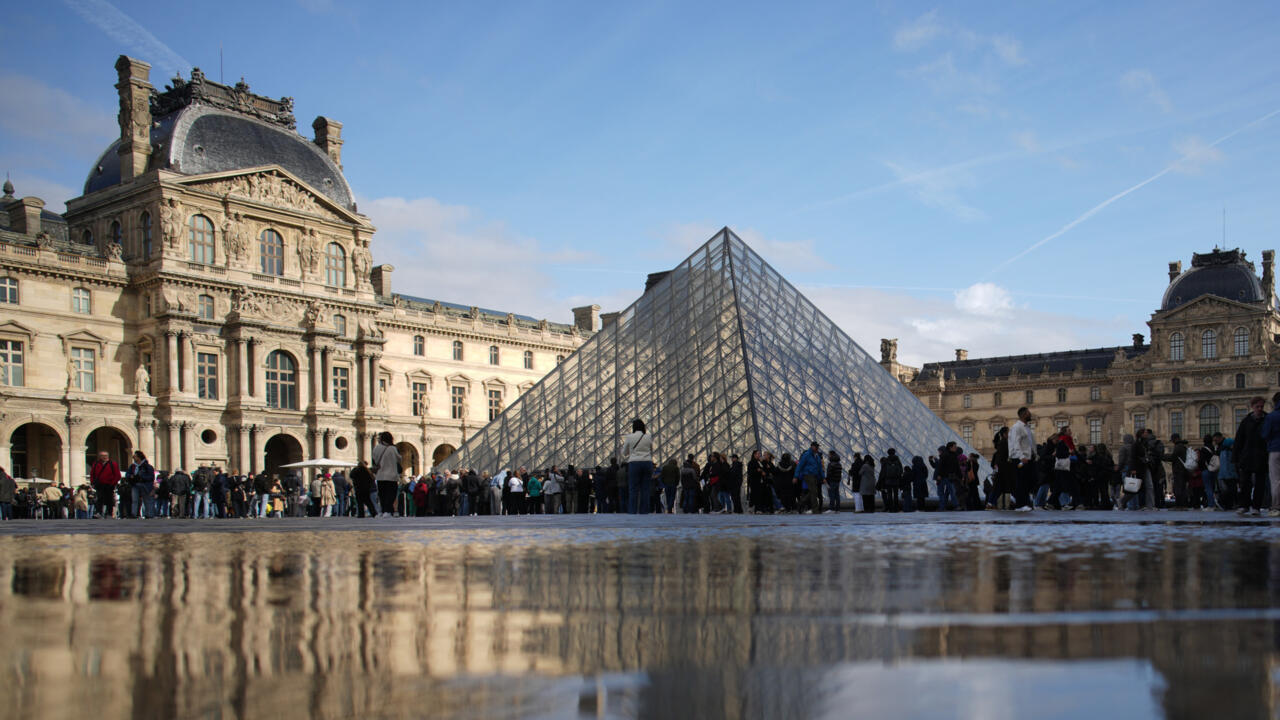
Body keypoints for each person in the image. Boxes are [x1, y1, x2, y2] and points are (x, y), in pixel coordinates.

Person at [1234, 397, 1268, 516]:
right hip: (1247, 455)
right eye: (1257, 407)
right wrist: (1235, 457)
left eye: (1261, 407)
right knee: (1245, 483)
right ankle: (1244, 505)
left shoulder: (1266, 420)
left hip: (1261, 455)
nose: (1259, 409)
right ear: (1252, 406)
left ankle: (1256, 506)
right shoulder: (1246, 421)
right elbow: (1239, 440)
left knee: (1260, 483)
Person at [621, 419, 654, 515]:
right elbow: (651, 449)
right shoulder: (648, 437)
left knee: (633, 489)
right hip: (647, 462)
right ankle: (644, 511)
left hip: (634, 463)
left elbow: (624, 453)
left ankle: (632, 511)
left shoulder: (630, 437)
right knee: (645, 489)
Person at [1009, 407, 1035, 512]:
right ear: (1024, 414)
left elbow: (1029, 443)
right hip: (1020, 458)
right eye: (1029, 413)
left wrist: (1034, 454)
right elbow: (1016, 443)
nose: (1030, 414)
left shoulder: (1026, 427)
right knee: (1021, 482)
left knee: (1027, 482)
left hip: (1027, 458)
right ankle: (1020, 505)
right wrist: (1021, 456)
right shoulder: (1017, 427)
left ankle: (1025, 503)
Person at [1260, 391, 1280, 517]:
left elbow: (1265, 434)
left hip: (1275, 450)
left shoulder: (1271, 416)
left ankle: (1276, 507)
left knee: (1276, 480)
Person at [371, 432, 401, 517]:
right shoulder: (392, 448)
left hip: (380, 475)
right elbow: (399, 459)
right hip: (391, 475)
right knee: (391, 494)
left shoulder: (376, 448)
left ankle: (382, 510)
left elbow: (374, 459)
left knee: (382, 494)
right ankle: (388, 511)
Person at [795, 441, 824, 514]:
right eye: (816, 446)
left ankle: (801, 503)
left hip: (815, 476)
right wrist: (796, 476)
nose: (817, 448)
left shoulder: (816, 456)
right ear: (812, 447)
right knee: (814, 492)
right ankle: (815, 510)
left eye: (818, 447)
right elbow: (800, 465)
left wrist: (823, 477)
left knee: (814, 492)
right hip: (808, 475)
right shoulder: (806, 455)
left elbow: (820, 467)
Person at [90, 450, 120, 519]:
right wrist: (92, 482)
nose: (104, 457)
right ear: (99, 457)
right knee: (99, 499)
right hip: (99, 484)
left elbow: (117, 475)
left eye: (106, 456)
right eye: (102, 456)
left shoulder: (113, 464)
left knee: (109, 499)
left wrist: (113, 483)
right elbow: (92, 474)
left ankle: (109, 513)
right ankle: (99, 513)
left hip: (109, 484)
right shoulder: (96, 464)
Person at [127, 452, 156, 519]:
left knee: (146, 500)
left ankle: (148, 514)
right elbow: (127, 474)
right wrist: (131, 476)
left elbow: (151, 477)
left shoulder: (147, 466)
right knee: (134, 500)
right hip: (135, 484)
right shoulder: (132, 466)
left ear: (139, 457)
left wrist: (141, 477)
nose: (133, 457)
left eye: (135, 456)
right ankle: (134, 514)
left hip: (144, 485)